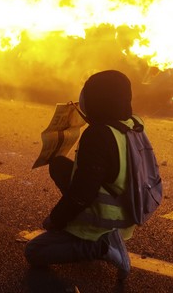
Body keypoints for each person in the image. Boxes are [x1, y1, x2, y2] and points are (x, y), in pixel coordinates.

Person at [25, 70, 138, 281]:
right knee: (58, 165)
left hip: (105, 217)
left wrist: (56, 220)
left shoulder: (98, 135)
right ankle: (101, 237)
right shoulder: (132, 125)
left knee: (34, 251)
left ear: (98, 100)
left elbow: (82, 193)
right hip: (124, 208)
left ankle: (100, 246)